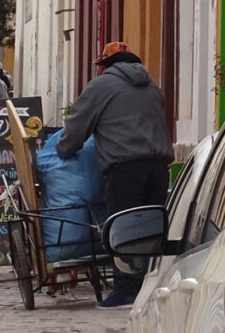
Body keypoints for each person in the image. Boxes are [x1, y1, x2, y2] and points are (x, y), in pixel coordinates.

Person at [56, 41, 174, 310]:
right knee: (152, 228)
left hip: (125, 168)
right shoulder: (152, 84)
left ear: (106, 66)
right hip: (158, 167)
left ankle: (125, 290)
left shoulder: (100, 86)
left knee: (123, 228)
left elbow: (78, 125)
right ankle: (151, 285)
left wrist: (63, 149)